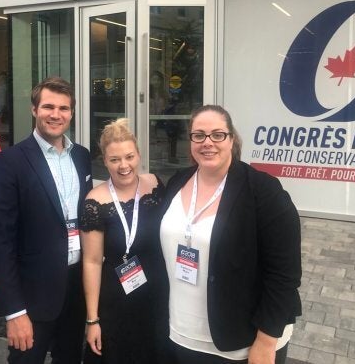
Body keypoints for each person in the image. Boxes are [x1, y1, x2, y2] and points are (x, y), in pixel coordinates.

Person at [160, 105, 301, 364]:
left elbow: (284, 275)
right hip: (182, 332)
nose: (207, 143)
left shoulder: (263, 191)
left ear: (231, 138)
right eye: (199, 135)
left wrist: (266, 341)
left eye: (217, 134)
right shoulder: (178, 182)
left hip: (241, 343)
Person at [0, 76, 93, 364]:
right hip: (32, 296)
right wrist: (14, 310)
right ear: (34, 110)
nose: (56, 115)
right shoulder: (9, 162)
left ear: (71, 113)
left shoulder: (82, 157)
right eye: (48, 107)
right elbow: (0, 240)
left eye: (63, 108)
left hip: (75, 289)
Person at [81, 118, 170, 364]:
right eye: (115, 159)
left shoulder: (155, 185)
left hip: (159, 298)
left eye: (129, 157)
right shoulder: (95, 201)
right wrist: (92, 319)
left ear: (139, 155)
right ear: (104, 161)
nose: (124, 166)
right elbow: (92, 261)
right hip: (118, 303)